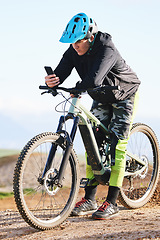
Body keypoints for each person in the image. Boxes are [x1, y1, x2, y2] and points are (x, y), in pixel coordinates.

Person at [45, 12, 140, 220]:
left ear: (89, 37)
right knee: (93, 142)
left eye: (78, 41)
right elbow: (62, 71)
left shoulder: (106, 48)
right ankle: (89, 199)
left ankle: (113, 201)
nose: (74, 46)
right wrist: (54, 80)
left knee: (117, 143)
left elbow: (94, 79)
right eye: (71, 42)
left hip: (123, 92)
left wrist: (77, 88)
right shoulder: (74, 49)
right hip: (100, 94)